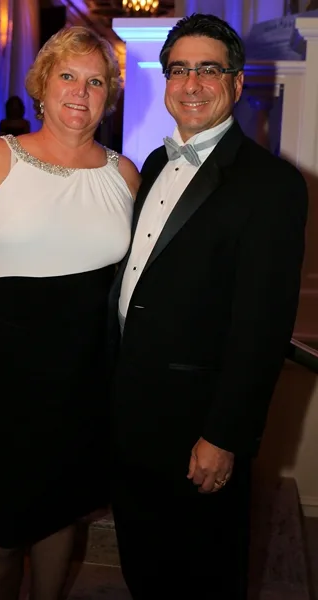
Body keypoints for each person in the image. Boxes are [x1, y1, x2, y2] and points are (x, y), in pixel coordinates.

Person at [0, 26, 139, 600]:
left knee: (62, 512)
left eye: (95, 81)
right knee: (4, 529)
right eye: (67, 76)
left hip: (86, 376)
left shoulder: (124, 175)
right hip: (2, 376)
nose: (80, 92)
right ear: (42, 85)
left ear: (109, 95)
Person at [108, 13, 308, 600]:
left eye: (208, 70)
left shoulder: (272, 185)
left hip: (198, 425)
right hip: (131, 414)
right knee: (142, 566)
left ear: (237, 83)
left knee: (203, 576)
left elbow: (262, 327)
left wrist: (224, 435)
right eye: (179, 70)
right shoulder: (152, 163)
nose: (191, 84)